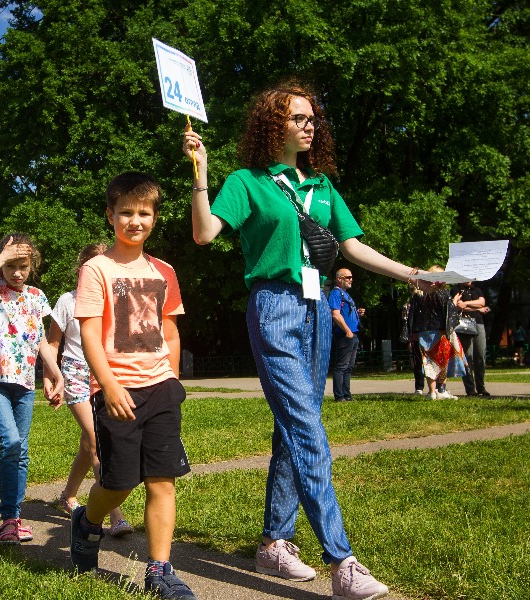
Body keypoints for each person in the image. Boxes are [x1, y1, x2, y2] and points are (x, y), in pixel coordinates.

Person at [182, 82, 437, 599]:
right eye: (298, 117)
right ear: (272, 125)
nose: (309, 125)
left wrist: (413, 274)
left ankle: (274, 542)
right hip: (274, 306)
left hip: (318, 309)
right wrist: (201, 173)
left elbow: (352, 248)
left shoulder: (321, 185)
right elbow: (204, 233)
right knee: (306, 427)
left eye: (312, 118)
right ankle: (341, 560)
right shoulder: (248, 181)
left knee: (295, 426)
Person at [69, 173, 193, 599]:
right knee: (120, 481)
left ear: (155, 218)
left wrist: (173, 381)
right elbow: (88, 333)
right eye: (126, 212)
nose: (134, 220)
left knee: (162, 479)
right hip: (116, 389)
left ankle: (159, 569)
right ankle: (87, 522)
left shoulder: (165, 271)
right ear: (110, 215)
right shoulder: (96, 269)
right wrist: (109, 384)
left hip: (160, 387)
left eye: (144, 212)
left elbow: (171, 331)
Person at [0, 233, 64, 544]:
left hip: (24, 384)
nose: (17, 273)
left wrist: (56, 374)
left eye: (22, 266)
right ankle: (10, 514)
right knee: (10, 442)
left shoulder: (36, 296)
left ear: (31, 265)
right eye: (11, 266)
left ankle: (12, 517)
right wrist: (0, 259)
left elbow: (41, 341)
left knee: (20, 450)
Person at [46, 242, 133, 537]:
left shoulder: (116, 299)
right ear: (82, 270)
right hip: (75, 374)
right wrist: (50, 376)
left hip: (105, 376)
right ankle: (114, 515)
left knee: (88, 442)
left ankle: (68, 496)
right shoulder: (67, 302)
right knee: (98, 440)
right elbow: (53, 343)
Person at [411, 266, 465, 400]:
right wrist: (454, 301)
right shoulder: (443, 293)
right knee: (442, 362)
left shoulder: (420, 294)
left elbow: (414, 314)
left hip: (424, 333)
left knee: (429, 362)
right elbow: (449, 312)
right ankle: (441, 390)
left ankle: (431, 392)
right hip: (440, 332)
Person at [328, 269, 365, 402]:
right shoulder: (336, 293)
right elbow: (335, 314)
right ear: (339, 278)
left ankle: (347, 395)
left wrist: (358, 313)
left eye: (351, 277)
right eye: (348, 277)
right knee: (341, 366)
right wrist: (347, 330)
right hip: (344, 335)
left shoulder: (346, 294)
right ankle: (339, 396)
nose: (351, 279)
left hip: (352, 334)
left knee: (349, 367)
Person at [453, 281, 491, 395]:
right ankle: (470, 388)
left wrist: (466, 304)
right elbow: (459, 306)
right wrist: (477, 308)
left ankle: (481, 386)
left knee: (480, 354)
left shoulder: (477, 290)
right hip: (464, 324)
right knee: (468, 356)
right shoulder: (456, 289)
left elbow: (482, 302)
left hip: (478, 323)